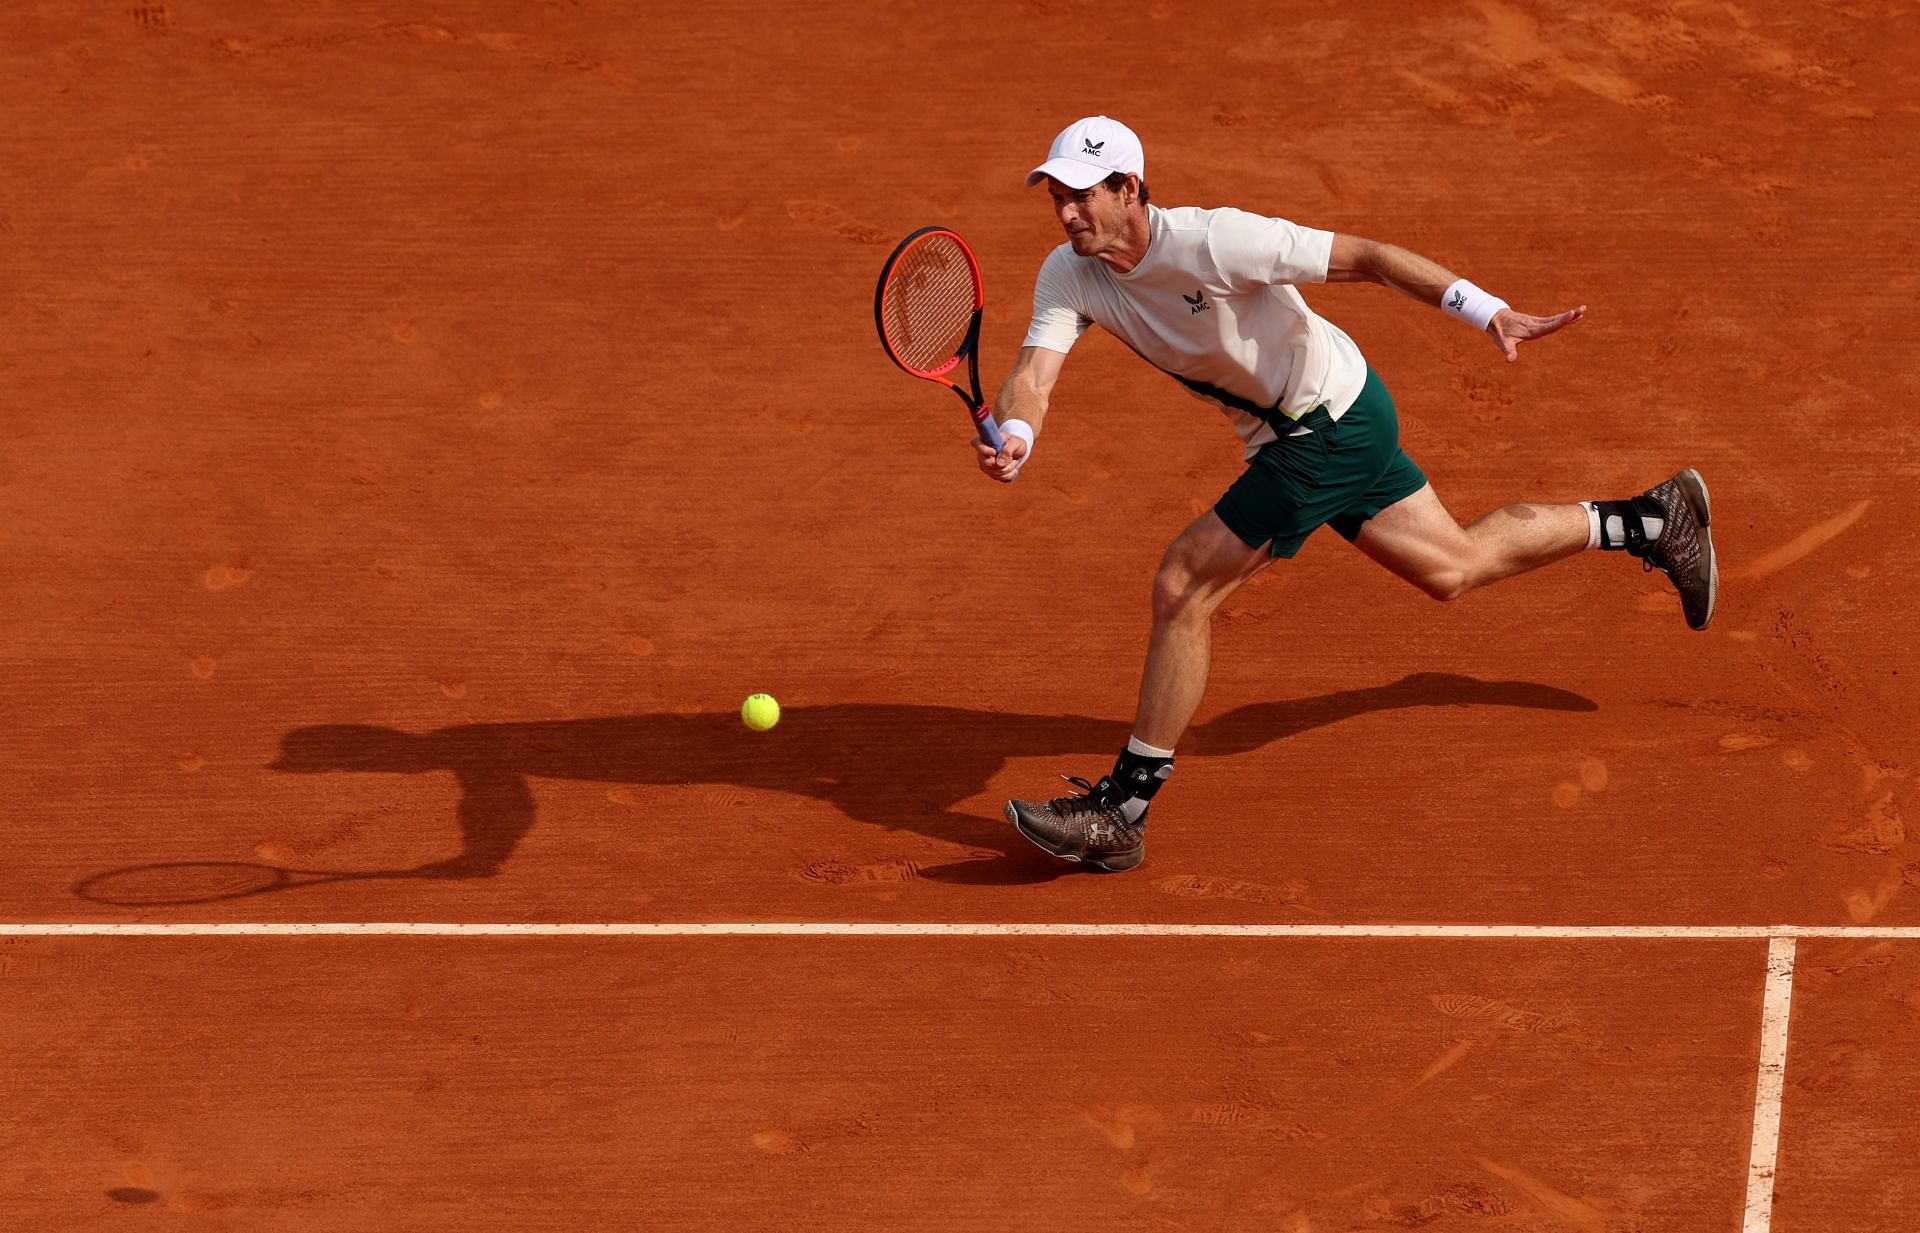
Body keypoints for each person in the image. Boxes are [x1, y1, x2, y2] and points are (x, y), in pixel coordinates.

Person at [990, 116, 1716, 873]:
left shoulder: (1215, 241)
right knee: (1453, 567)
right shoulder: (1069, 273)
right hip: (1312, 425)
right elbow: (1035, 377)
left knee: (1184, 583)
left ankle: (1123, 811)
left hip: (1328, 424)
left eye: (1081, 195)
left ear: (1128, 188)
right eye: (1058, 196)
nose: (1067, 212)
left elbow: (1365, 257)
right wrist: (1018, 431)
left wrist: (1486, 308)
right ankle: (1655, 520)